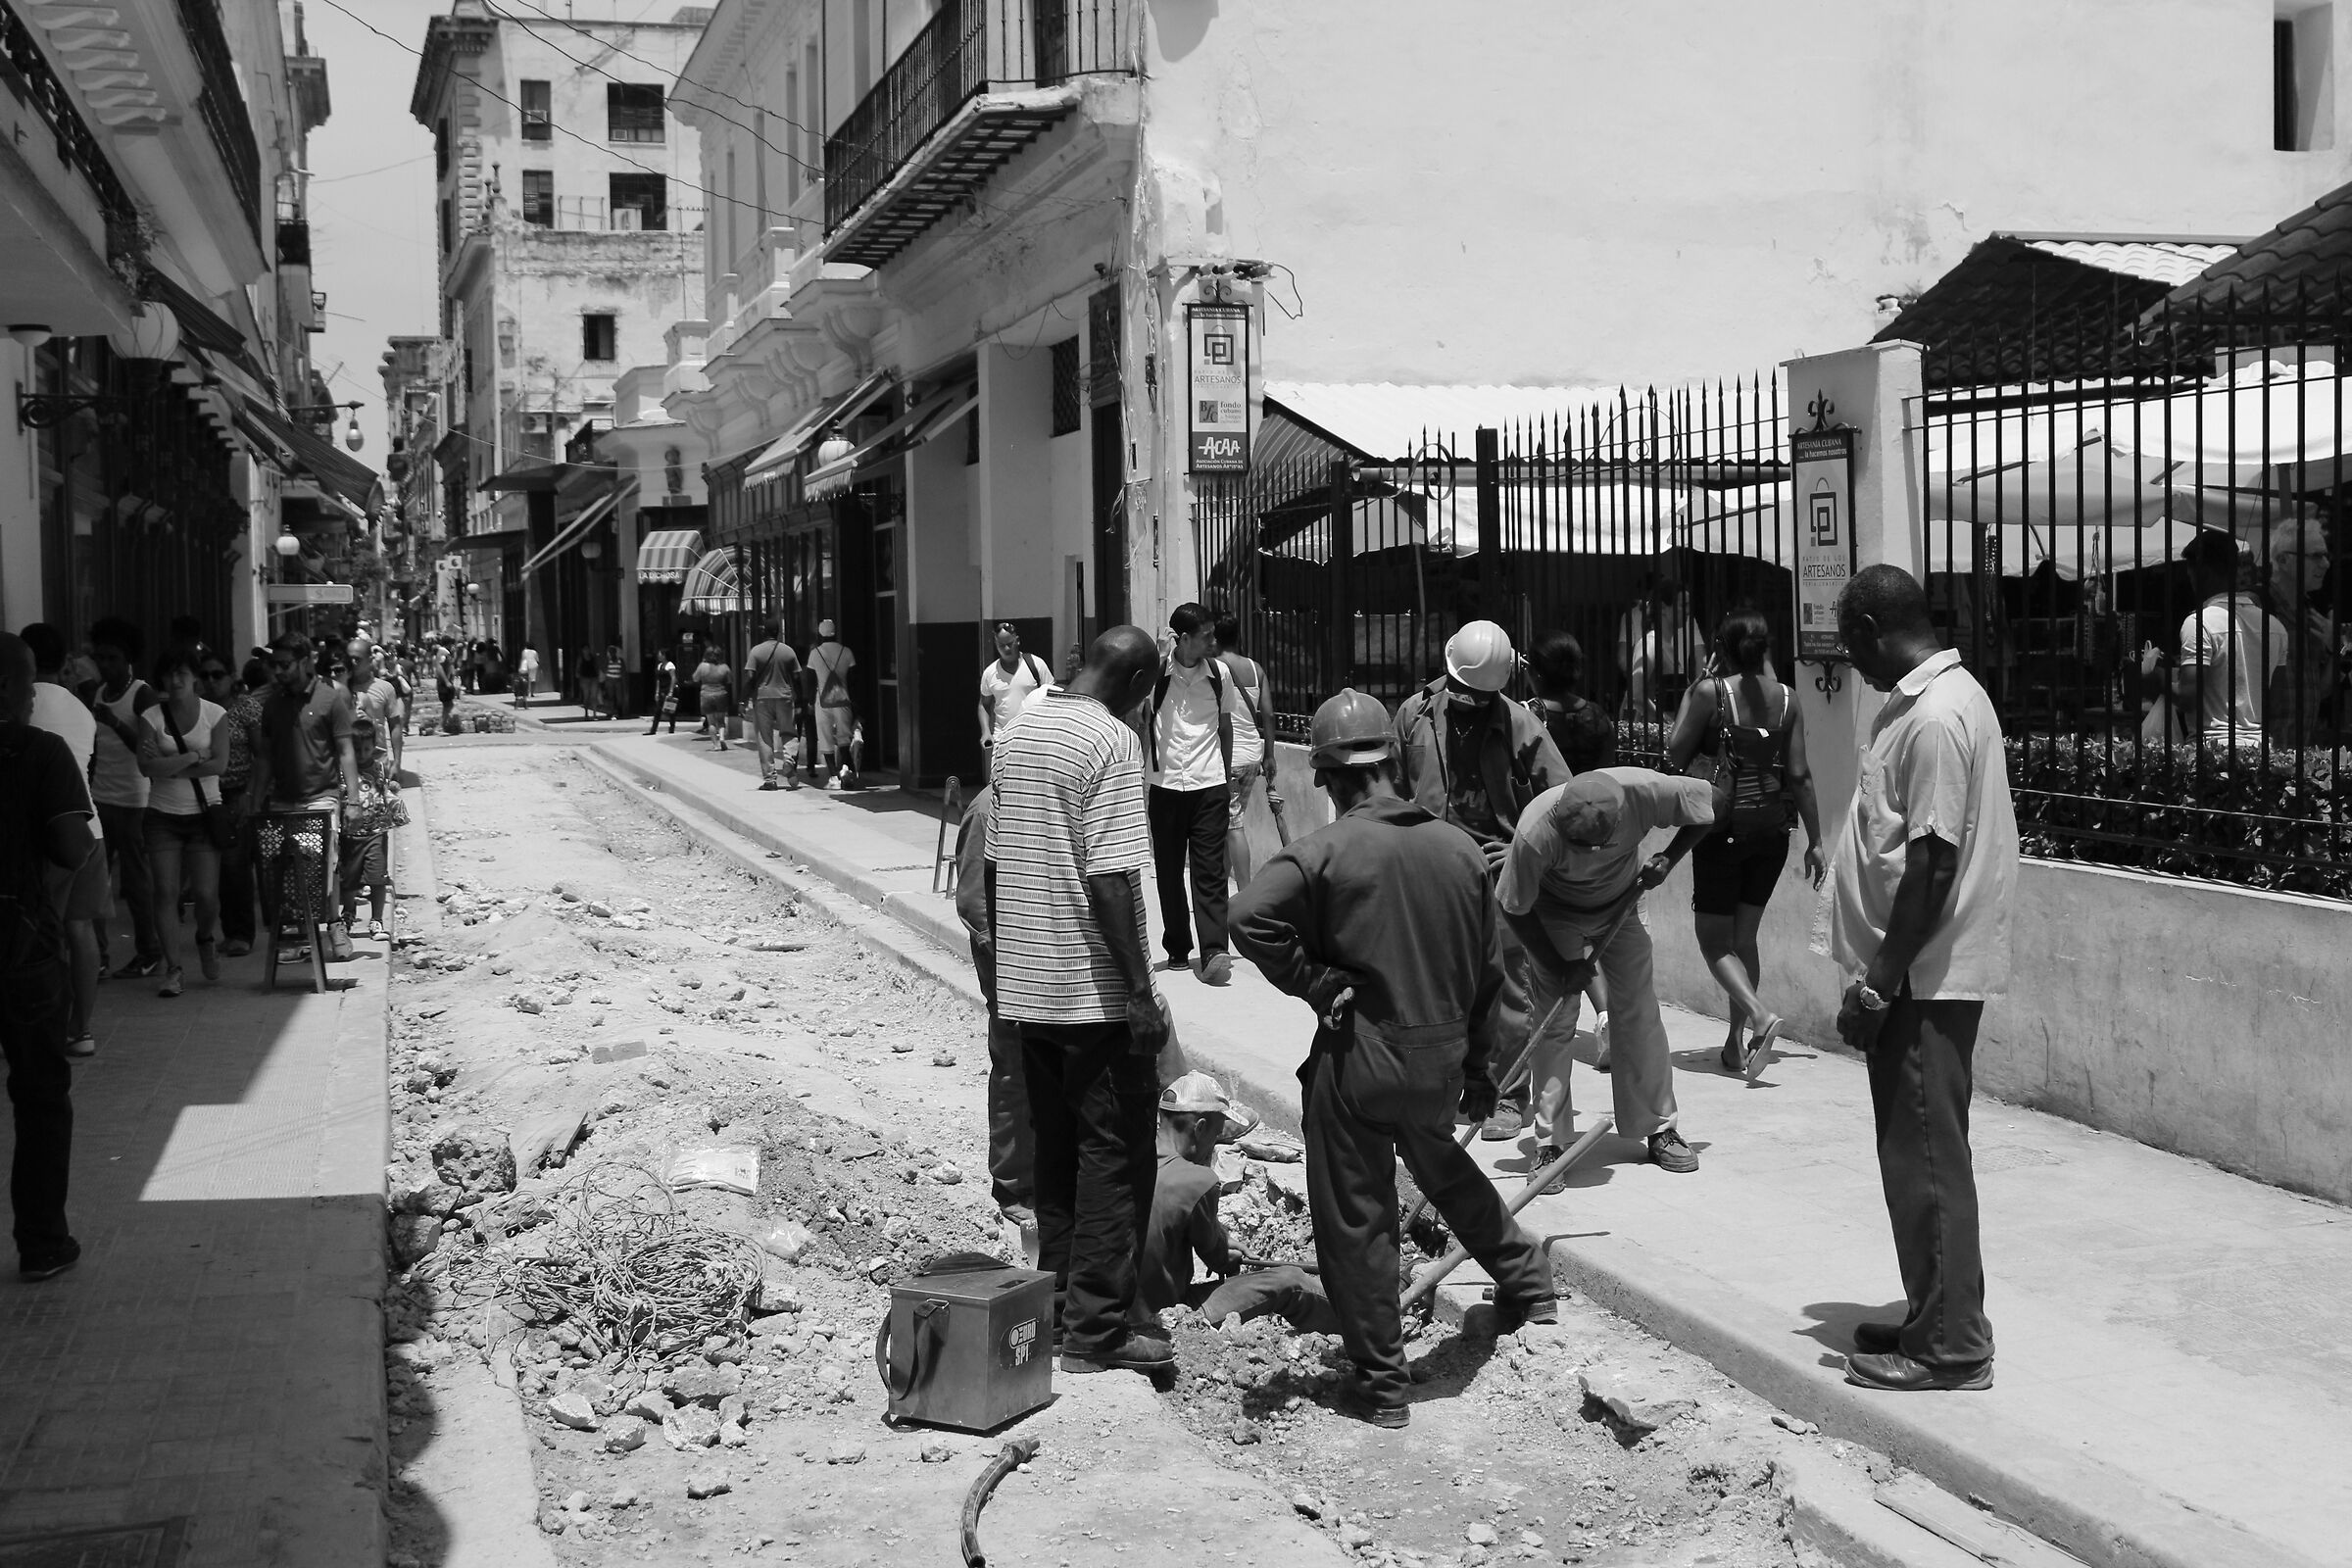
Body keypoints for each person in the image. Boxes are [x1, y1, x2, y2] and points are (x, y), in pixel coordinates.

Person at [1230, 688, 1557, 1427]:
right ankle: (1528, 1283)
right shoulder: (1459, 849)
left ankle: (1382, 1385)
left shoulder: (1323, 852)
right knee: (1441, 1162)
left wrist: (1313, 982)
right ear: (1392, 764)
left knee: (1356, 1216)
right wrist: (1479, 1070)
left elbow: (1247, 916)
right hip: (1440, 1059)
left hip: (1363, 1060)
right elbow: (1491, 975)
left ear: (1330, 778)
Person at [1819, 565, 2017, 1394]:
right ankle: (1934, 1310)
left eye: (1848, 643)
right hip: (1910, 976)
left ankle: (1951, 1349)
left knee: (1929, 1161)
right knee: (1915, 1158)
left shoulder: (1936, 716)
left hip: (1920, 982)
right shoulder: (1923, 701)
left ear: (1869, 628)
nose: (1850, 663)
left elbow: (1930, 866)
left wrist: (1877, 985)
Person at [985, 625, 1173, 1378]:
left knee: (1056, 1158)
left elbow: (995, 865)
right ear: (1138, 686)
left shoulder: (1021, 727)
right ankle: (1098, 1333)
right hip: (1091, 996)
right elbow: (1111, 879)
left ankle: (1060, 1311)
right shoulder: (1111, 742)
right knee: (1116, 1161)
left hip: (1028, 991)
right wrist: (1140, 994)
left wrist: (1008, 976)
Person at [1393, 619, 1570, 1139]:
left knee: (1507, 990)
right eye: (1463, 690)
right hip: (1431, 873)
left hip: (1499, 877)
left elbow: (1563, 802)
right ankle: (1444, 1087)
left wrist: (1517, 847)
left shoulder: (1522, 727)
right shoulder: (1415, 715)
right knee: (1437, 986)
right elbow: (1396, 790)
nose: (1470, 700)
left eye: (1481, 694)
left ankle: (1509, 1094)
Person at [1496, 767, 1716, 1175]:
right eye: (1578, 846)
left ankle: (1659, 1128)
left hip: (1620, 906)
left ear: (1619, 820)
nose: (1588, 856)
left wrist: (1669, 858)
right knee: (1555, 1022)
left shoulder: (1645, 791)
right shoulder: (1534, 830)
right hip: (1552, 915)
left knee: (1638, 1011)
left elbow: (1712, 803)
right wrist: (1560, 966)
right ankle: (1551, 1145)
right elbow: (1513, 907)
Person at [1665, 610, 1826, 1075]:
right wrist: (1816, 840)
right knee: (1745, 937)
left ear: (1723, 648)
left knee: (1714, 941)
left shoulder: (1710, 693)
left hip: (1723, 830)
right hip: (1773, 833)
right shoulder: (1790, 700)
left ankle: (1759, 1016)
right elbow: (1798, 774)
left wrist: (1696, 686)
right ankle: (1736, 1045)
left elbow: (1675, 752)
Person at [0, 631, 93, 1282]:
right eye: (28, 680)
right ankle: (42, 1241)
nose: (35, 692)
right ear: (9, 688)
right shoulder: (40, 753)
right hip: (22, 947)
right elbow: (69, 846)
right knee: (38, 1095)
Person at [1135, 1071, 1337, 1333]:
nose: (1214, 1146)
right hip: (1167, 1317)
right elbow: (1219, 1259)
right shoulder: (1198, 1180)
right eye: (1216, 1134)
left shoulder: (1130, 1161)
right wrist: (1224, 1251)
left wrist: (1218, 1236)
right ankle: (1369, 1324)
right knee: (1290, 1280)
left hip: (1110, 1312)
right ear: (1200, 1128)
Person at [1143, 603, 1252, 987]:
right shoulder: (1155, 675)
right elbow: (1139, 723)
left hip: (1209, 785)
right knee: (1169, 872)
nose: (1213, 640)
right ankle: (1176, 945)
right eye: (1205, 635)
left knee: (1209, 871)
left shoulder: (1220, 674)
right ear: (1183, 639)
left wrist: (1223, 777)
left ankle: (1213, 950)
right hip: (1166, 786)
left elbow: (1225, 727)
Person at [248, 632, 361, 958]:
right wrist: (255, 799)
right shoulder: (272, 704)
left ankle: (334, 924)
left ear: (304, 662)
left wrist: (352, 800)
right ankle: (301, 936)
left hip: (321, 799)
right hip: (283, 799)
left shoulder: (330, 699)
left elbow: (345, 751)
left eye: (285, 665)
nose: (279, 671)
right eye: (275, 666)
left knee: (321, 865)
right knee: (285, 870)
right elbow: (265, 757)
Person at [953, 782, 1034, 1231]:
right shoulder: (988, 809)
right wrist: (1005, 963)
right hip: (1008, 962)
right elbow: (972, 901)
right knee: (1014, 1070)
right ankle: (1014, 1183)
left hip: (1042, 959)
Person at [21, 626, 104, 1057]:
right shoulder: (81, 709)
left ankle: (43, 1024)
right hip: (89, 829)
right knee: (80, 928)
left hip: (45, 835)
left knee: (39, 931)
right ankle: (82, 1028)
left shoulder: (20, 703)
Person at [136, 648, 229, 996]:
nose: (175, 681)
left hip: (205, 815)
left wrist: (168, 761)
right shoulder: (151, 716)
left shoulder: (214, 714)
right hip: (161, 815)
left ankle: (205, 937)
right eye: (169, 674)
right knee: (165, 892)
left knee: (206, 896)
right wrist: (193, 756)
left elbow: (219, 765)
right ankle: (173, 969)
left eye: (183, 674)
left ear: (194, 679)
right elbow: (145, 768)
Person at [2142, 530, 2291, 748]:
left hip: (2213, 753)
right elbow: (2277, 705)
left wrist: (2154, 674)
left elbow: (2187, 698)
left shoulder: (2199, 622)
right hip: (2259, 753)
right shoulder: (2275, 627)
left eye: (2190, 574)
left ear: (2202, 572)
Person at [85, 616, 163, 979]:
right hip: (100, 797)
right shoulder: (94, 692)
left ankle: (148, 952)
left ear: (128, 658)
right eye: (100, 657)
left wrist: (115, 723)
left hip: (134, 801)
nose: (105, 665)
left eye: (113, 658)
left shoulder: (142, 694)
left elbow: (146, 751)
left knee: (135, 883)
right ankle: (98, 957)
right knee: (96, 881)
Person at [1209, 610, 1279, 892]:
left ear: (1214, 637)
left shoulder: (1213, 667)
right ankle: (1219, 891)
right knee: (1231, 824)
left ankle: (1246, 892)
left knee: (1233, 827)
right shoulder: (1256, 668)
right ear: (1239, 636)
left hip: (1225, 758)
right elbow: (1270, 715)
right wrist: (1270, 754)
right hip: (1252, 756)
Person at [204, 652, 266, 958]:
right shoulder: (199, 709)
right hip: (203, 794)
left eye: (217, 674)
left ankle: (240, 933)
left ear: (231, 677)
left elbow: (261, 755)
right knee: (211, 871)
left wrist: (250, 795)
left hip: (236, 792)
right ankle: (224, 931)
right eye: (206, 676)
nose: (211, 681)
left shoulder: (246, 707)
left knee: (235, 867)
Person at [338, 716, 407, 940]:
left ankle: (376, 920)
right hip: (349, 834)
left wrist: (392, 789)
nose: (361, 754)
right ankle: (348, 914)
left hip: (375, 833)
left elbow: (385, 790)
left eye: (366, 748)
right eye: (356, 749)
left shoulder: (379, 768)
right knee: (348, 880)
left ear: (373, 746)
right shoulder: (343, 772)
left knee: (378, 878)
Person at [977, 621, 1056, 774]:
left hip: (1035, 736)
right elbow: (983, 705)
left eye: (1009, 644)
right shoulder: (990, 673)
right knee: (1000, 782)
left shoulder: (1036, 664)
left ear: (1017, 641)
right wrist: (986, 732)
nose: (1006, 649)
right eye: (1001, 645)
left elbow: (1053, 695)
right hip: (1003, 737)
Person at [743, 619, 804, 790]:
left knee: (764, 736)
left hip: (762, 698)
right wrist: (800, 701)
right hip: (785, 696)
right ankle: (789, 761)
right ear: (778, 632)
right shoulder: (788, 651)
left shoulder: (756, 651)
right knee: (789, 732)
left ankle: (770, 779)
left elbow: (750, 678)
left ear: (764, 632)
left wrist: (742, 700)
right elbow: (797, 678)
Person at [808, 620, 858, 786]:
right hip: (843, 700)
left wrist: (809, 702)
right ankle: (846, 771)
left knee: (825, 737)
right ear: (835, 633)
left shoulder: (815, 653)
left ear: (820, 635)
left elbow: (810, 680)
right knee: (844, 737)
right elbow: (853, 680)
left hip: (822, 702)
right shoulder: (847, 652)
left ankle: (833, 776)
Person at [691, 646, 734, 752]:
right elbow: (730, 680)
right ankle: (722, 738)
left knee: (711, 722)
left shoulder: (702, 666)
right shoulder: (724, 667)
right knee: (721, 720)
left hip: (706, 694)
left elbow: (695, 678)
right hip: (721, 694)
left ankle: (715, 745)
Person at [647, 646, 681, 736]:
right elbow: (658, 680)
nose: (658, 656)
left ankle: (672, 728)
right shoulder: (659, 666)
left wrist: (671, 691)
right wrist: (657, 692)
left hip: (669, 689)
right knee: (658, 710)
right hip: (662, 689)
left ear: (664, 655)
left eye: (660, 654)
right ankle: (653, 729)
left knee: (671, 710)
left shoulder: (670, 665)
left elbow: (673, 678)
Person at [576, 647, 603, 720]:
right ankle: (586, 714)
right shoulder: (581, 659)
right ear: (582, 650)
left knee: (594, 696)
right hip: (585, 679)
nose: (586, 651)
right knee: (586, 696)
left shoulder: (593, 658)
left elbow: (597, 667)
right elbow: (578, 669)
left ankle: (594, 714)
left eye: (587, 649)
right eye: (585, 649)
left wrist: (598, 677)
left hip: (593, 678)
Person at [514, 642, 539, 709]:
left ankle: (526, 691)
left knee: (526, 679)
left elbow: (522, 659)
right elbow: (537, 659)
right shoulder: (534, 652)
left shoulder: (524, 651)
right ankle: (532, 693)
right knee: (533, 679)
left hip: (525, 665)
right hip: (533, 665)